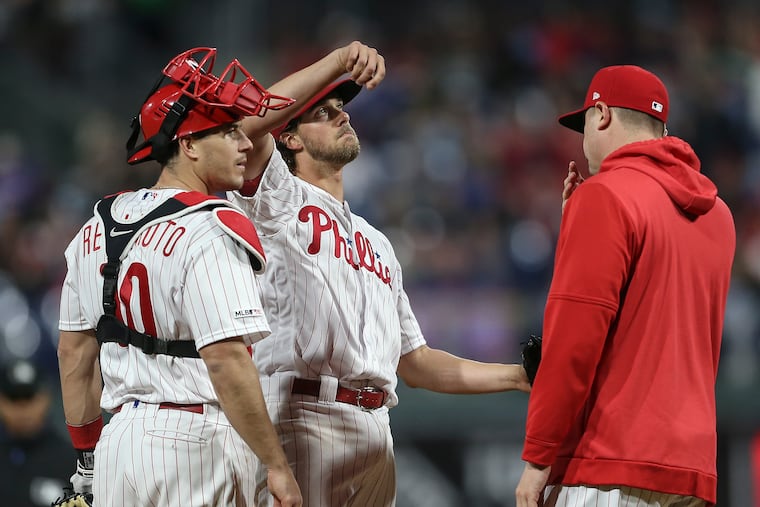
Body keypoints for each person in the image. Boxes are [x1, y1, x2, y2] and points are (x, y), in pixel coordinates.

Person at [227, 41, 531, 507]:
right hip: (301, 413)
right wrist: (334, 64)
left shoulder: (378, 243)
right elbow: (244, 126)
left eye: (341, 109)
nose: (343, 116)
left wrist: (516, 377)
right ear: (289, 137)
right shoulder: (275, 201)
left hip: (375, 429)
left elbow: (417, 363)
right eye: (323, 112)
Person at [57, 47, 302, 506]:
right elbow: (227, 359)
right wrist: (276, 464)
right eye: (229, 132)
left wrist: (87, 461)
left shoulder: (95, 226)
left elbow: (74, 354)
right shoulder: (210, 226)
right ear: (188, 145)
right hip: (195, 440)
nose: (246, 143)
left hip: (118, 444)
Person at [515, 65, 736, 507]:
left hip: (607, 462)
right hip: (692, 472)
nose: (582, 140)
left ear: (601, 115)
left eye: (584, 126)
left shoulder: (604, 196)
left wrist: (538, 458)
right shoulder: (719, 215)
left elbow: (574, 344)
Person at [0, 358, 75, 505]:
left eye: (29, 397)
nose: (22, 408)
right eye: (14, 398)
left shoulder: (71, 460)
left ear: (45, 399)